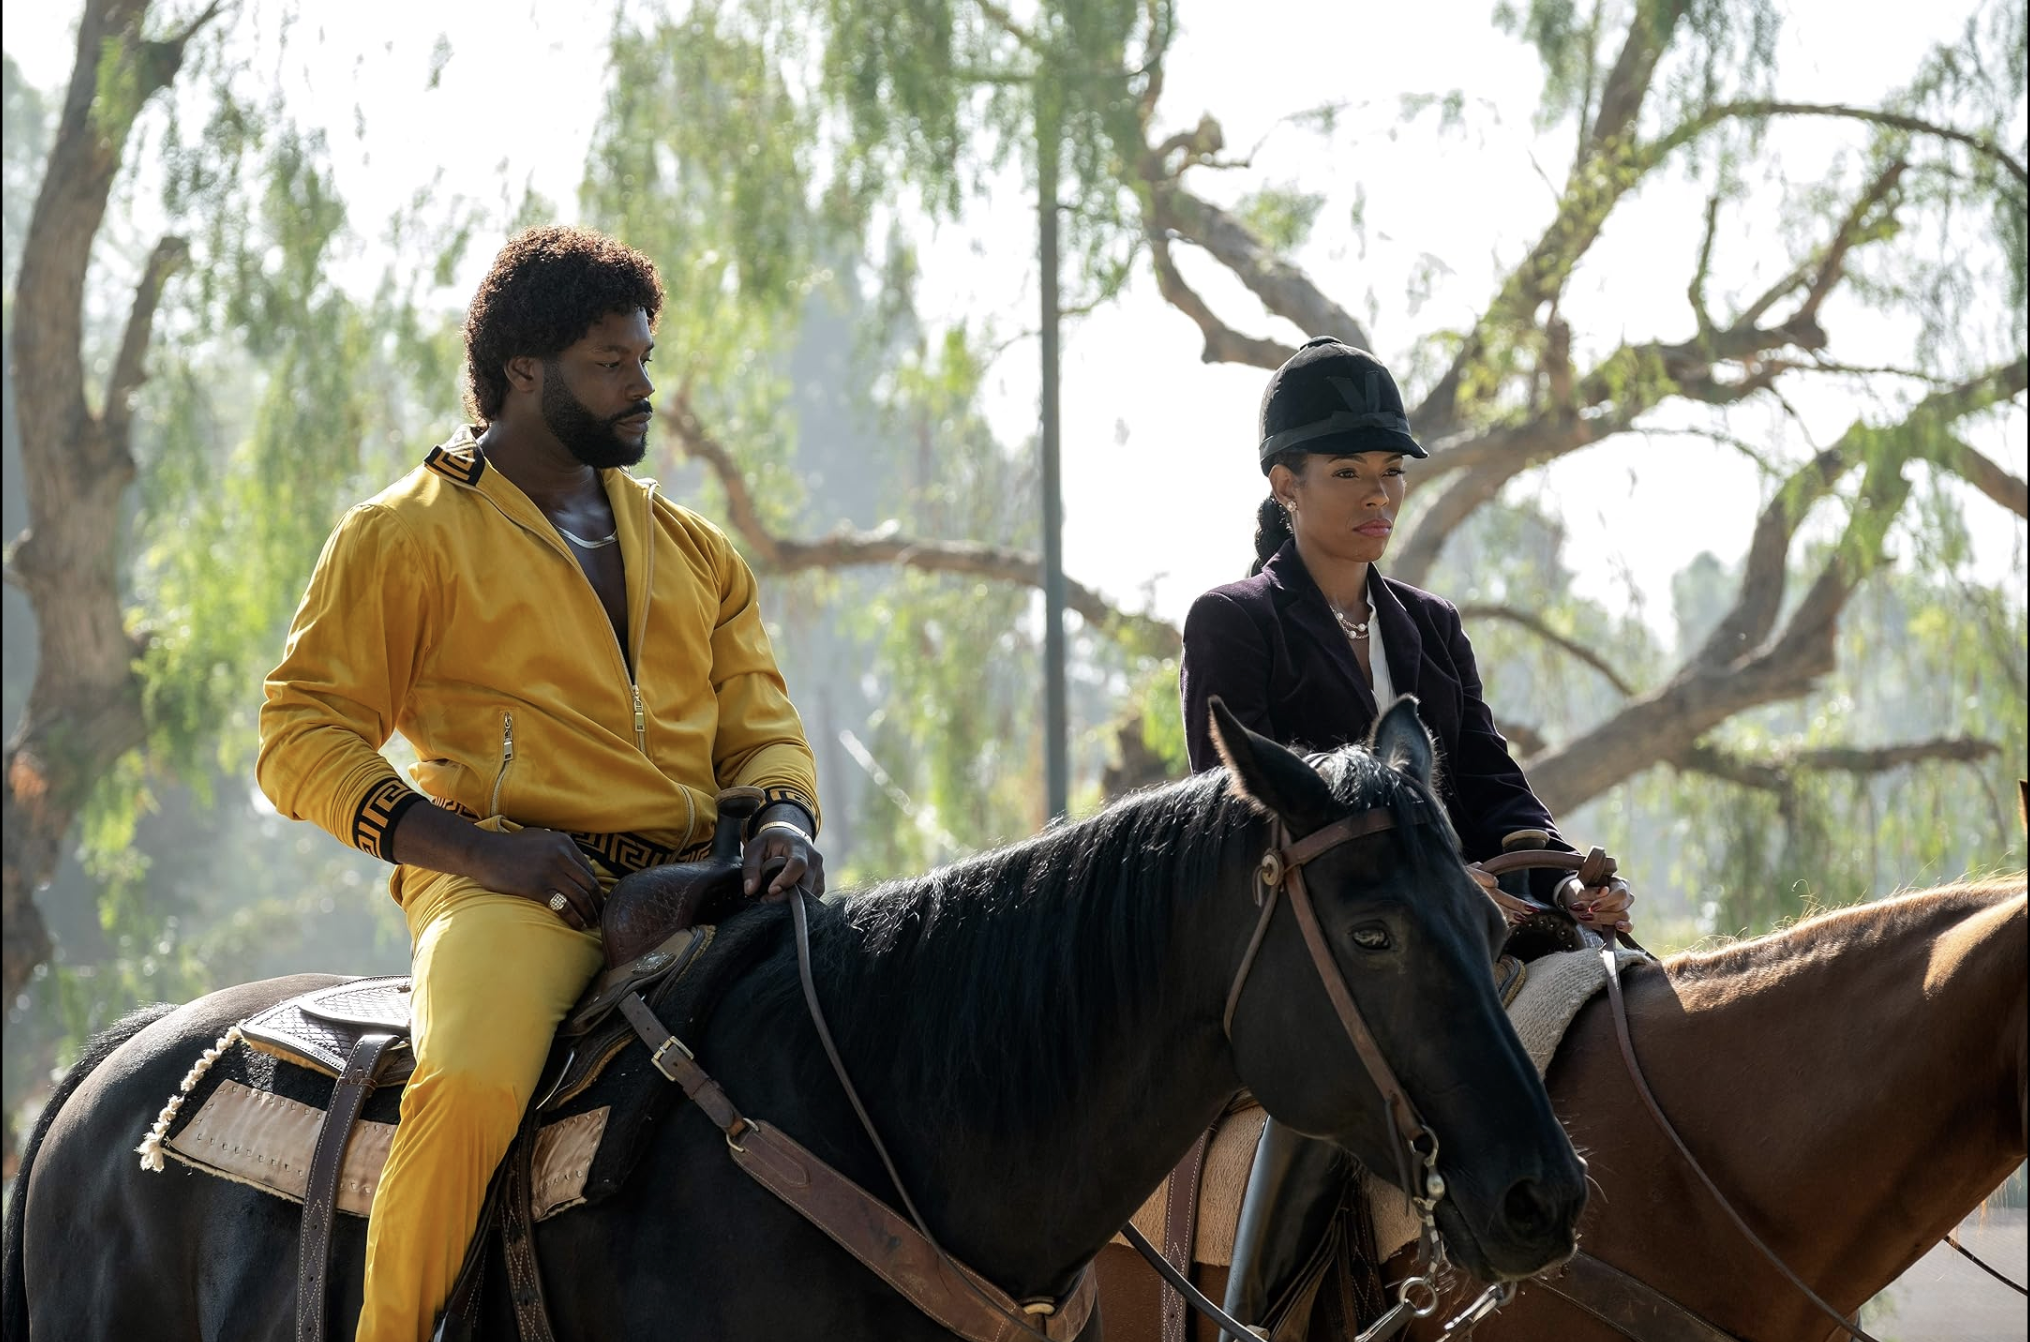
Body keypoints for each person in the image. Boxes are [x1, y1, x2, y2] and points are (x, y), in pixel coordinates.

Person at [256, 226, 825, 1342]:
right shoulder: (402, 536)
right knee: (466, 1084)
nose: (643, 386)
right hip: (514, 895)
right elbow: (298, 732)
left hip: (710, 888)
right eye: (612, 363)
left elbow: (762, 733)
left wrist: (786, 819)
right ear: (524, 369)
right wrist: (484, 853)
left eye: (643, 358)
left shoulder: (697, 551)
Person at [1177, 336, 1632, 1333]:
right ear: (1283, 483)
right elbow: (1238, 808)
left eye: (1388, 474)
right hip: (1315, 951)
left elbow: (1490, 784)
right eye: (1348, 474)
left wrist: (1558, 887)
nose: (1378, 496)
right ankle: (1253, 1312)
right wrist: (1452, 886)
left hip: (1445, 937)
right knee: (1320, 1118)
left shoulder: (1429, 624)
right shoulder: (1230, 620)